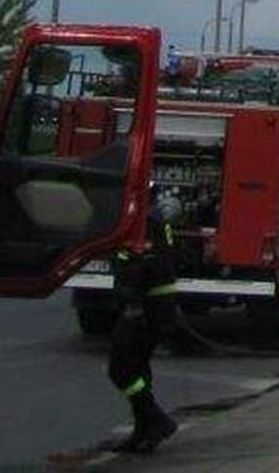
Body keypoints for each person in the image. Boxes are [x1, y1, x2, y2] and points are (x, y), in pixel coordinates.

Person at [105, 185, 181, 453]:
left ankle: (156, 420)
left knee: (120, 368)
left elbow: (139, 265)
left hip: (146, 306)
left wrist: (133, 303)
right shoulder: (152, 219)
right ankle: (144, 430)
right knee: (138, 367)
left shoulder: (144, 223)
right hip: (152, 305)